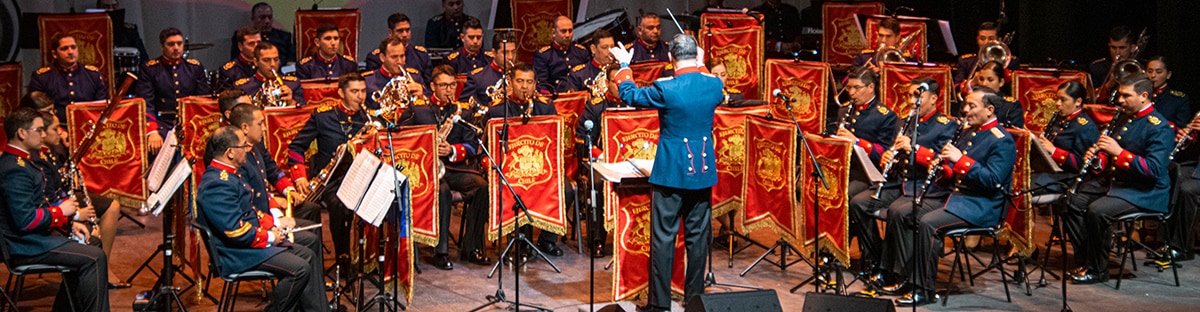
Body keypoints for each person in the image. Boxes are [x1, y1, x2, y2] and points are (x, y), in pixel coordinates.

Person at [610, 33, 722, 311]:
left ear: (671, 59)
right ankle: (695, 301)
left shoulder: (666, 87)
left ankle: (659, 305)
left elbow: (630, 95)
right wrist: (701, 62)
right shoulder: (714, 85)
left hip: (671, 172)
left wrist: (625, 66)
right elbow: (704, 80)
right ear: (697, 56)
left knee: (663, 239)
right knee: (697, 241)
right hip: (702, 170)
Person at [892, 87, 1016, 306]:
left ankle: (924, 289)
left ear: (989, 110)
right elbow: (953, 171)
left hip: (982, 207)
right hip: (958, 200)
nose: (965, 110)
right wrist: (943, 169)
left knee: (929, 224)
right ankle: (907, 277)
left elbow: (992, 180)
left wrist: (959, 161)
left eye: (972, 106)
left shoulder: (1002, 140)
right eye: (965, 105)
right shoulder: (970, 131)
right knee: (907, 213)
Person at [197, 125, 327, 312]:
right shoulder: (217, 184)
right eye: (244, 146)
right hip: (237, 253)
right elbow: (235, 230)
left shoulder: (230, 175)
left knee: (307, 254)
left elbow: (249, 212)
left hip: (246, 244)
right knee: (299, 269)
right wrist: (271, 237)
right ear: (230, 152)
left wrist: (273, 225)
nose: (248, 149)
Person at [848, 77, 957, 289]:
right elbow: (891, 151)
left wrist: (914, 148)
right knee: (859, 203)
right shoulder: (905, 121)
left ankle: (899, 273)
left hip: (926, 186)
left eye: (917, 95)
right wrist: (887, 157)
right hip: (899, 183)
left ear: (934, 98)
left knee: (898, 212)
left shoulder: (945, 125)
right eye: (909, 95)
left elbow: (943, 162)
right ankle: (876, 260)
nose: (911, 100)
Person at [1067, 76, 1173, 284]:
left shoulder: (1159, 127)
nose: (1120, 100)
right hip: (1120, 186)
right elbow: (1108, 156)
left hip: (1146, 191)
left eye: (1126, 95)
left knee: (1098, 211)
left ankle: (1098, 269)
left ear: (1144, 96)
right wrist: (1097, 160)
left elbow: (1153, 170)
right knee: (1071, 202)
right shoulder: (1125, 117)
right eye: (1120, 95)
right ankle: (1086, 259)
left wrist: (1119, 152)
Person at [0, 108, 108, 311]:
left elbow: (37, 206)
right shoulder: (14, 168)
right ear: (22, 133)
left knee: (93, 243)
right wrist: (61, 212)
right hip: (24, 246)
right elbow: (25, 220)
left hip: (33, 239)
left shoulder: (22, 163)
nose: (43, 134)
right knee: (94, 257)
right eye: (39, 130)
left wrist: (70, 223)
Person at [395, 64, 489, 268]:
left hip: (453, 168)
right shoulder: (417, 110)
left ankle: (471, 247)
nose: (449, 90)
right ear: (432, 86)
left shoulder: (463, 112)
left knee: (481, 186)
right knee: (442, 192)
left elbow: (473, 145)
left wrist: (453, 150)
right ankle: (441, 251)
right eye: (444, 85)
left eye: (452, 85)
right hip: (425, 171)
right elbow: (400, 139)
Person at [287, 73, 371, 267]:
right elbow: (296, 147)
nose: (360, 97)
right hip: (333, 182)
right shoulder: (323, 116)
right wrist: (300, 177)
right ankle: (343, 257)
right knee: (340, 206)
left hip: (364, 178)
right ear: (341, 92)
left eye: (363, 91)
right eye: (354, 91)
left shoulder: (370, 118)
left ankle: (372, 258)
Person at [482, 63, 565, 259]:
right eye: (520, 81)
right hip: (508, 170)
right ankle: (521, 243)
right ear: (510, 83)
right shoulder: (497, 109)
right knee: (518, 189)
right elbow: (484, 146)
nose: (525, 87)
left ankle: (547, 240)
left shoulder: (545, 106)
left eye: (529, 82)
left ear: (535, 84)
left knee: (566, 189)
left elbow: (555, 142)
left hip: (541, 168)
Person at [575, 65, 626, 257]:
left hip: (630, 162)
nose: (620, 86)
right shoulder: (596, 107)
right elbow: (582, 138)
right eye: (616, 82)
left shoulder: (638, 103)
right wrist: (601, 154)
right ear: (606, 83)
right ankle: (597, 240)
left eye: (624, 80)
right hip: (603, 161)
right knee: (597, 184)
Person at [834, 67, 898, 198]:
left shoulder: (885, 116)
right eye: (849, 87)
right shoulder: (844, 110)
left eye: (856, 88)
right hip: (843, 167)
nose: (851, 93)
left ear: (870, 87)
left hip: (867, 174)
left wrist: (857, 142)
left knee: (843, 194)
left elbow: (884, 152)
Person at [136, 27, 211, 140]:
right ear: (162, 47)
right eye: (171, 44)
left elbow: (202, 100)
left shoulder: (194, 67)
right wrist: (152, 130)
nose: (176, 48)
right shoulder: (150, 69)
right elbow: (146, 103)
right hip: (162, 123)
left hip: (190, 123)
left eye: (179, 43)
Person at [28, 34, 107, 128]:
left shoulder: (93, 75)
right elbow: (38, 111)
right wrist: (59, 131)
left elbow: (101, 107)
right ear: (54, 54)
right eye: (64, 48)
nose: (70, 52)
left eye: (73, 47)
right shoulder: (42, 77)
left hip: (88, 127)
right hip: (56, 130)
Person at [364, 37, 428, 110]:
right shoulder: (368, 82)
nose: (399, 61)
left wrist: (422, 97)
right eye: (394, 57)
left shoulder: (415, 77)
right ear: (382, 57)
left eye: (402, 56)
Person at [366, 13, 432, 82]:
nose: (405, 34)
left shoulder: (421, 55)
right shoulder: (375, 58)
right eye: (400, 31)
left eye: (407, 30)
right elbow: (373, 83)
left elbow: (429, 86)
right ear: (390, 32)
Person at [534, 15, 592, 94]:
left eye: (570, 31)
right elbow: (541, 84)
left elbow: (589, 77)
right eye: (563, 31)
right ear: (554, 33)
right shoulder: (543, 55)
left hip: (581, 97)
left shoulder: (581, 52)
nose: (568, 35)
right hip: (556, 99)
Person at [235, 42, 305, 107]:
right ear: (256, 62)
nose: (272, 64)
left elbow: (303, 111)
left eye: (276, 59)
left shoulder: (293, 84)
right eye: (266, 60)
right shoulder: (244, 87)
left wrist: (291, 103)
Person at [459, 32, 520, 104]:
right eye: (505, 52)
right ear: (493, 53)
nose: (510, 57)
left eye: (513, 52)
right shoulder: (477, 78)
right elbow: (465, 107)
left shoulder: (522, 75)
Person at [954, 22, 1021, 86]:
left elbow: (1015, 88)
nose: (986, 42)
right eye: (982, 39)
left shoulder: (1010, 61)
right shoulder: (966, 62)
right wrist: (972, 83)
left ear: (999, 40)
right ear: (977, 40)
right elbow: (956, 88)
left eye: (991, 38)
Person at [230, 2, 295, 65]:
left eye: (270, 17)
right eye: (262, 18)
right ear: (253, 18)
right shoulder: (243, 36)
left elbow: (291, 61)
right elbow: (236, 60)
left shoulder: (284, 37)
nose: (267, 21)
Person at [969, 61, 1024, 128]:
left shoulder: (1011, 106)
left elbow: (1015, 134)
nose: (984, 84)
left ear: (1001, 82)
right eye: (981, 79)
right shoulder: (972, 101)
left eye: (990, 80)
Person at [1146, 56, 1195, 128]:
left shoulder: (1179, 100)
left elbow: (1180, 129)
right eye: (1150, 71)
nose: (1153, 75)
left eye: (1158, 72)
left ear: (1168, 75)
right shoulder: (1139, 95)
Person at [221, 26, 261, 90]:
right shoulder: (229, 71)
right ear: (240, 46)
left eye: (259, 43)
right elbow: (226, 98)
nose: (257, 47)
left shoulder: (266, 66)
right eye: (251, 44)